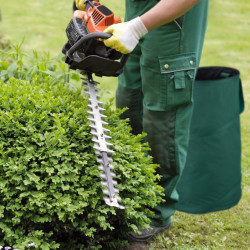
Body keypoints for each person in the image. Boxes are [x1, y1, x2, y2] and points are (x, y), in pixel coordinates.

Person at [75, 0, 209, 247]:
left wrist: (137, 28)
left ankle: (157, 212)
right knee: (129, 102)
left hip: (174, 19)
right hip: (138, 9)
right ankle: (131, 197)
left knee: (162, 116)